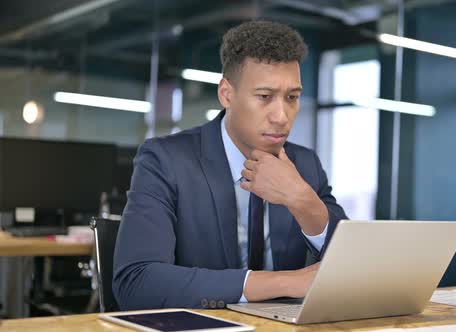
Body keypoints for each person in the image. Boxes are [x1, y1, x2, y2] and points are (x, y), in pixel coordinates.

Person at [113, 20, 347, 310]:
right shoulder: (166, 160)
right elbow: (136, 282)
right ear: (227, 94)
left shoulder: (305, 164)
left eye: (292, 97)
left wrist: (302, 199)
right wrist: (286, 282)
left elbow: (355, 269)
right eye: (265, 97)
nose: (282, 116)